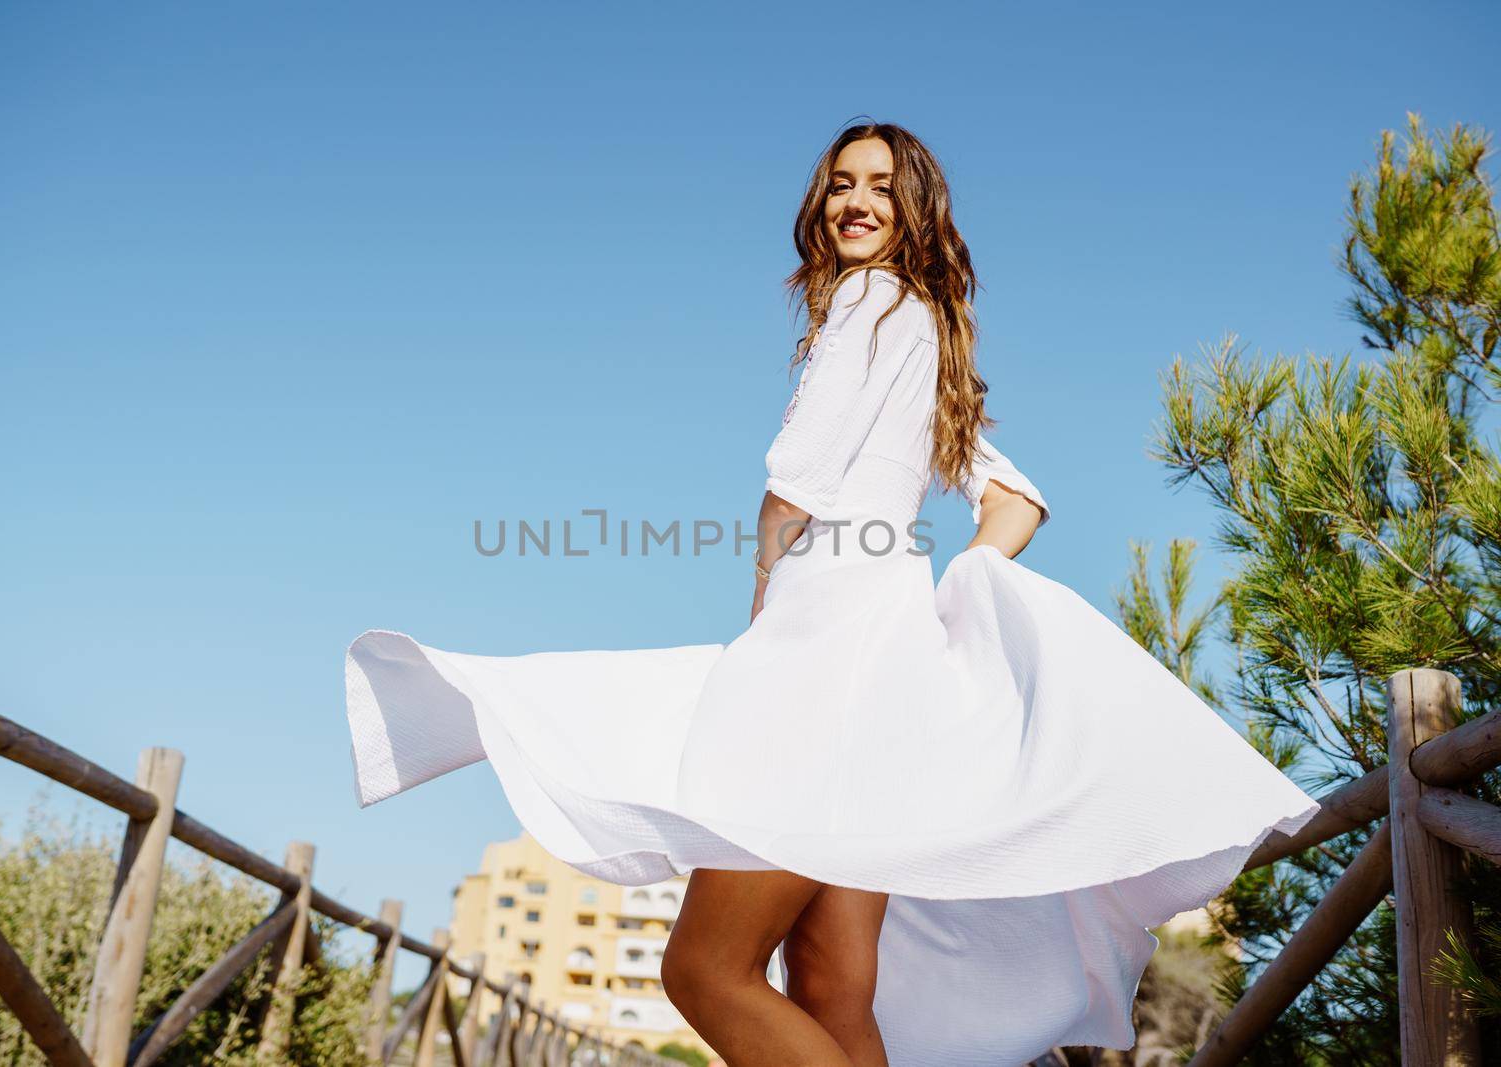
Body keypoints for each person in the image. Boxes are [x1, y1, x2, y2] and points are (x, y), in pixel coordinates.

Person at [343, 122, 1320, 1066]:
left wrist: (768, 595)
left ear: (914, 210)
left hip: (821, 667)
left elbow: (794, 485)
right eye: (842, 183)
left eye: (880, 187)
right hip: (886, 675)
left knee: (704, 969)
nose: (856, 201)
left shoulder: (866, 304)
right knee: (827, 978)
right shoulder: (929, 331)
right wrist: (957, 588)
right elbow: (1015, 499)